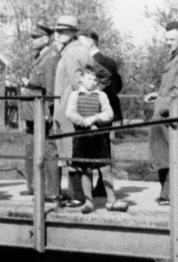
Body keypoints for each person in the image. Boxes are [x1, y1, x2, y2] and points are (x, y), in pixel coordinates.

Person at [144, 21, 178, 205]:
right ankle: (166, 193)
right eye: (166, 39)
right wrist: (158, 95)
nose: (168, 42)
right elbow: (169, 86)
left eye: (172, 39)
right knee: (162, 155)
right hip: (163, 111)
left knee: (176, 154)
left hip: (173, 114)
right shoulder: (175, 56)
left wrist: (164, 105)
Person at [65, 67, 128, 213]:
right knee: (86, 169)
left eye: (95, 80)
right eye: (89, 79)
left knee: (105, 168)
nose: (93, 82)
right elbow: (70, 113)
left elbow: (109, 114)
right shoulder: (75, 95)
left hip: (99, 137)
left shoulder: (101, 95)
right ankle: (89, 202)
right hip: (82, 136)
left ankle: (111, 200)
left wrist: (95, 118)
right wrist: (84, 121)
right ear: (81, 80)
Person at [52, 15, 92, 205]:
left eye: (62, 32)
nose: (57, 36)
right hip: (68, 112)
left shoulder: (73, 53)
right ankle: (80, 194)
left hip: (70, 113)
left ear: (73, 33)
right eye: (56, 32)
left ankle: (78, 196)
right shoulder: (76, 51)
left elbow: (80, 85)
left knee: (72, 155)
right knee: (72, 155)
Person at [19, 22, 59, 196]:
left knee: (47, 151)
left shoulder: (50, 58)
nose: (32, 41)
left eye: (36, 38)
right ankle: (34, 186)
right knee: (30, 149)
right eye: (32, 37)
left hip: (42, 113)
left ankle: (50, 190)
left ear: (46, 38)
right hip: (31, 113)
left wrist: (49, 113)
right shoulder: (40, 56)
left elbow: (49, 89)